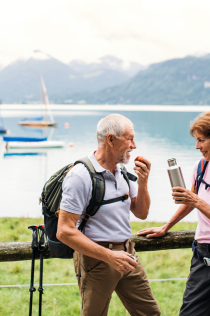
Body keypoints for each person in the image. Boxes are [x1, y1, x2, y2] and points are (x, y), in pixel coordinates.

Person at [138, 111, 210, 316]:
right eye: (196, 140)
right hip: (203, 254)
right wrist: (166, 227)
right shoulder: (201, 167)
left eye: (201, 140)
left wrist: (197, 201)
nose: (197, 146)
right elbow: (190, 201)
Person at [57, 114, 161, 316]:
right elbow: (64, 231)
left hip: (128, 254)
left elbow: (141, 212)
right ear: (111, 139)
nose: (134, 145)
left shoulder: (122, 171)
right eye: (129, 139)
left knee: (150, 313)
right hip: (97, 258)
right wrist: (109, 257)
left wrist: (143, 182)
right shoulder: (80, 176)